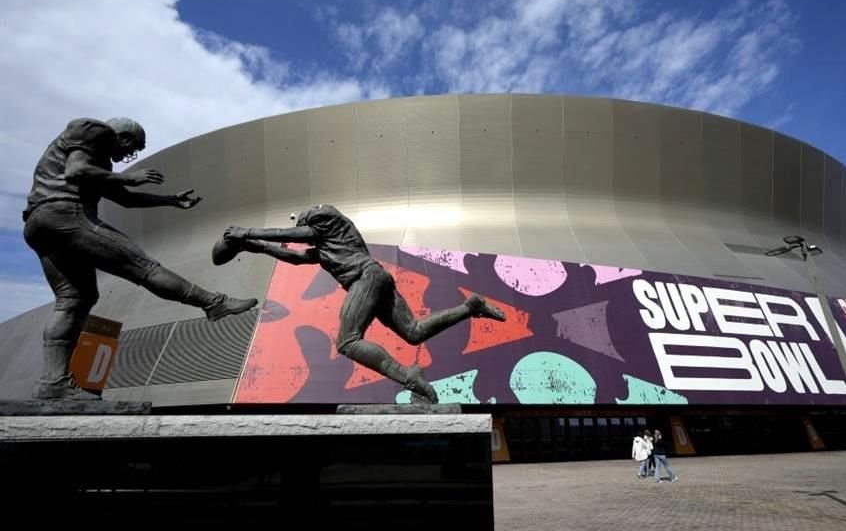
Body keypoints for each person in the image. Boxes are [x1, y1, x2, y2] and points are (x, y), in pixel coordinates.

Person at [22, 117, 259, 401]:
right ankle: (213, 303)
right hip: (64, 213)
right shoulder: (92, 129)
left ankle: (53, 383)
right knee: (143, 267)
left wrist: (170, 200)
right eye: (133, 148)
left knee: (74, 300)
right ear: (121, 136)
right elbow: (75, 172)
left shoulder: (102, 166)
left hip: (39, 225)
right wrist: (127, 176)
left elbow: (125, 199)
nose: (129, 157)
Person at [212, 203, 506, 403]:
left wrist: (247, 231)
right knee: (414, 332)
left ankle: (408, 375)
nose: (307, 239)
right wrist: (256, 246)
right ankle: (470, 307)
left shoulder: (324, 220)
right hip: (377, 278)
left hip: (365, 278)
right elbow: (297, 257)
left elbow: (298, 236)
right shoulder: (328, 247)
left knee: (347, 341)